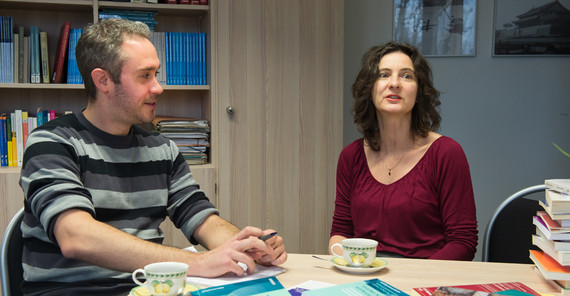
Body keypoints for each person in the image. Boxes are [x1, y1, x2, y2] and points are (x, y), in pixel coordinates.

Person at [19, 18, 287, 296]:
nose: (158, 87)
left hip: (149, 289)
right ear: (103, 80)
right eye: (145, 76)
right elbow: (76, 237)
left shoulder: (161, 149)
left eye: (156, 74)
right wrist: (199, 262)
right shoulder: (51, 142)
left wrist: (247, 247)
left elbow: (201, 217)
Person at [329, 41, 477, 261]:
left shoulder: (446, 153)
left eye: (407, 76)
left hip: (426, 282)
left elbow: (463, 241)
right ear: (369, 88)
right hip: (364, 277)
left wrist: (413, 281)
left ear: (419, 91)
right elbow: (341, 231)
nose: (395, 83)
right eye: (384, 75)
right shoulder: (351, 156)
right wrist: (350, 264)